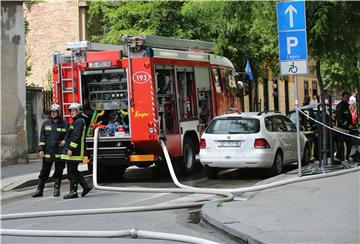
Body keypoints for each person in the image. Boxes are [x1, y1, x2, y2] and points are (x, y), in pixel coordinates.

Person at [32, 103, 68, 197]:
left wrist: (65, 141)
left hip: (59, 153)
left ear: (58, 112)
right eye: (52, 112)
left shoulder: (64, 124)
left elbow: (69, 135)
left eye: (55, 112)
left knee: (58, 172)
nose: (53, 113)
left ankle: (57, 190)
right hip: (48, 152)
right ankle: (39, 191)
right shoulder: (46, 123)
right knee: (44, 172)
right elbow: (42, 138)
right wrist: (41, 150)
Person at [61, 102, 92, 199]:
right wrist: (64, 142)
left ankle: (73, 192)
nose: (71, 113)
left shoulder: (79, 121)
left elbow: (76, 137)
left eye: (74, 111)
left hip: (75, 151)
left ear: (78, 111)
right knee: (73, 171)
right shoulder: (75, 121)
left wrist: (71, 148)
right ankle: (85, 187)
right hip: (73, 150)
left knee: (72, 172)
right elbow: (70, 135)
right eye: (71, 111)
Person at [335, 91, 353, 162]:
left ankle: (343, 159)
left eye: (348, 97)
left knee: (348, 145)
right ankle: (345, 160)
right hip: (341, 129)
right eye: (346, 97)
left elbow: (348, 116)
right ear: (342, 97)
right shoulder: (341, 106)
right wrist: (348, 125)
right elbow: (341, 118)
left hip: (346, 130)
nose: (347, 99)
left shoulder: (346, 105)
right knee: (345, 146)